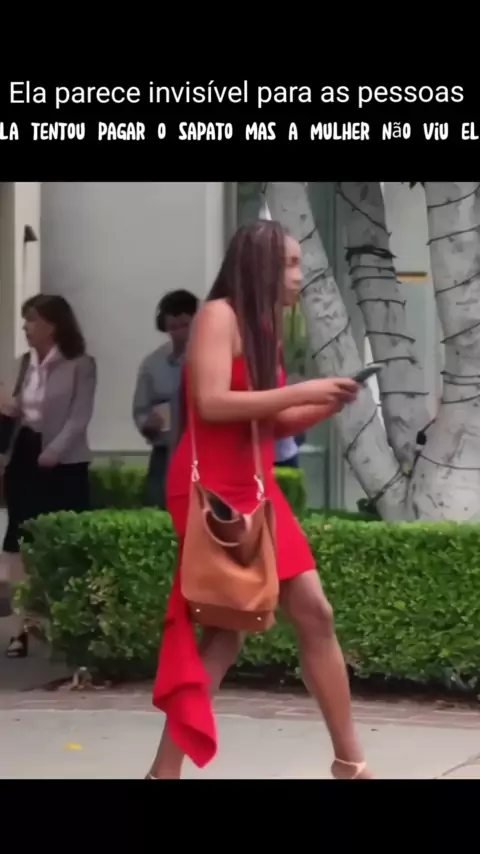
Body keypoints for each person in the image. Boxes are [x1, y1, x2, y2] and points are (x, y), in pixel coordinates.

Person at [147, 220, 373, 780]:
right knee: (224, 631)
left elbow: (268, 421)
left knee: (313, 613)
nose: (299, 275)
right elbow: (212, 402)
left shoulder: (261, 329)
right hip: (210, 490)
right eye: (291, 264)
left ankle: (350, 762)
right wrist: (302, 389)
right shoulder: (217, 316)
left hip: (254, 485)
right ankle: (163, 773)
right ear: (260, 266)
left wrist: (327, 401)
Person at [0, 294, 97, 658]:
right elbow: (15, 412)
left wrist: (54, 451)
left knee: (65, 541)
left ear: (53, 325)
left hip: (66, 462)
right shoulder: (23, 364)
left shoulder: (81, 365)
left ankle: (67, 627)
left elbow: (79, 416)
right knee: (19, 541)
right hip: (25, 456)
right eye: (25, 319)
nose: (25, 326)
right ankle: (20, 631)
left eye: (32, 319)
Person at [132, 290, 199, 508]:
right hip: (163, 453)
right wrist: (147, 423)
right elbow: (141, 408)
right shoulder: (153, 364)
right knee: (158, 508)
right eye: (173, 327)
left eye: (185, 325)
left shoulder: (210, 358)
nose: (179, 333)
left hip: (201, 451)